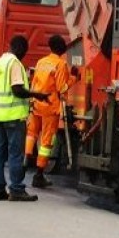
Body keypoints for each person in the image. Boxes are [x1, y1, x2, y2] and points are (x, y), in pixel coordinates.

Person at [0, 34, 50, 202]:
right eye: (24, 52)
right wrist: (36, 94)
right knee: (15, 154)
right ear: (21, 49)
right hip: (14, 116)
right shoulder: (14, 64)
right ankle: (16, 189)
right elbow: (17, 89)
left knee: (0, 152)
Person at [24, 34, 79, 188]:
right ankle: (39, 174)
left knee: (31, 134)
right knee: (46, 142)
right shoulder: (60, 65)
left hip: (36, 105)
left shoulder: (41, 62)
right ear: (62, 49)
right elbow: (62, 88)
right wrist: (74, 78)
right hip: (50, 107)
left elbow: (33, 84)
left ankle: (25, 161)